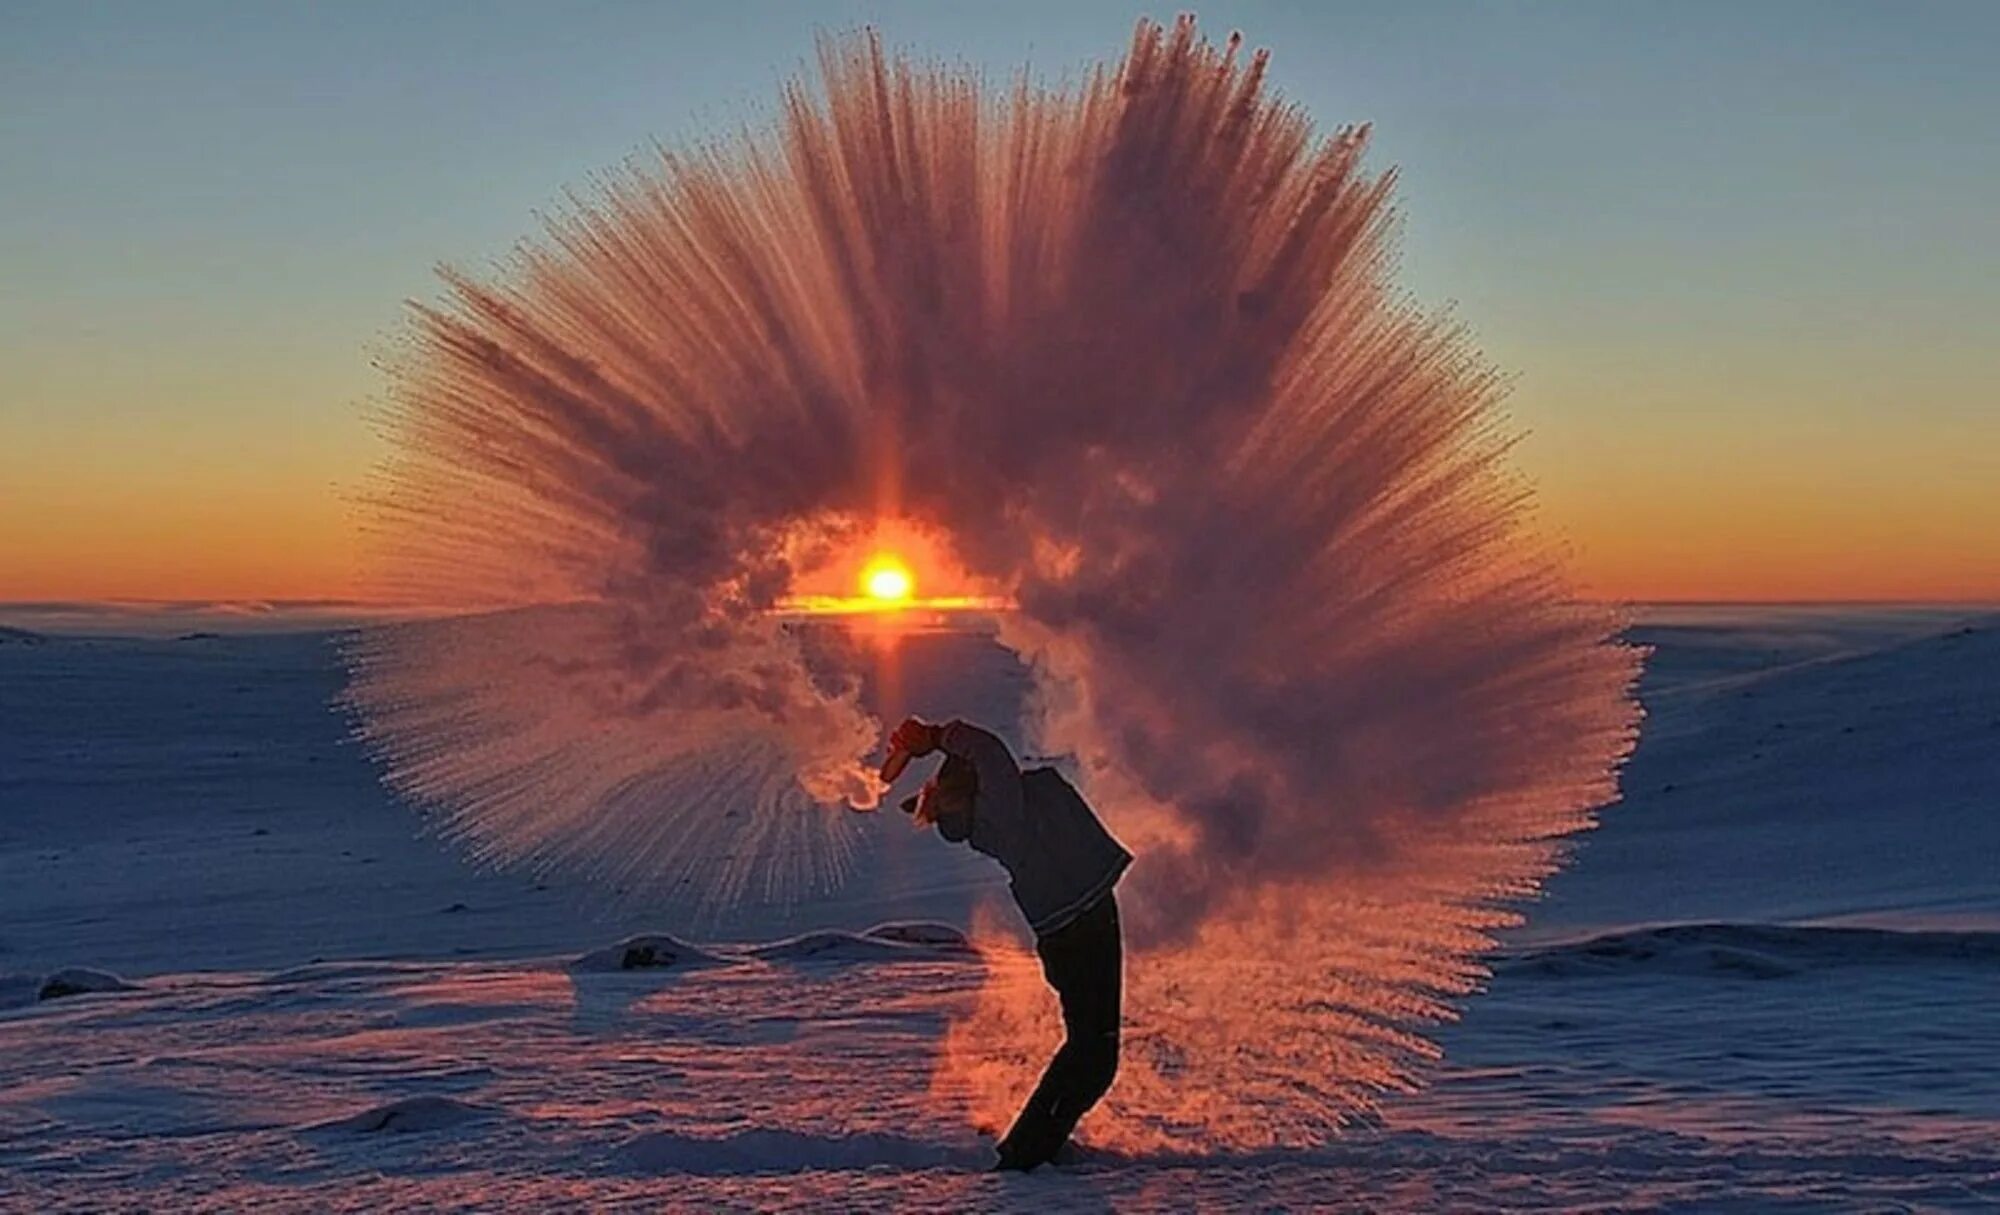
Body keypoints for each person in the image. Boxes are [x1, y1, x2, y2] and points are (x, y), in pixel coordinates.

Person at [882, 716, 1132, 1172]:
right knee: (1093, 1054)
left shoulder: (998, 809)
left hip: (1080, 921)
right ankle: (1026, 1155)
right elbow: (990, 751)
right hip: (1078, 927)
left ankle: (1034, 1146)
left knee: (1092, 1050)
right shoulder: (1000, 812)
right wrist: (935, 738)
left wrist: (933, 745)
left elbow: (988, 758)